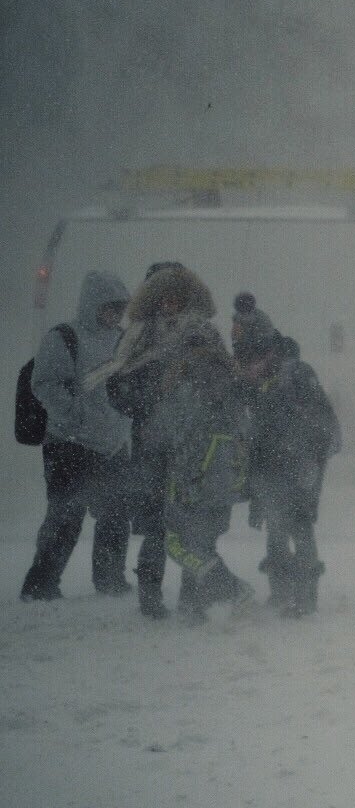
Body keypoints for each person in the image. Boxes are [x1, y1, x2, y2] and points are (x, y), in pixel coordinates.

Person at [102, 262, 216, 619]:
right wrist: (152, 394)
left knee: (191, 526)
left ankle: (192, 598)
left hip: (195, 447)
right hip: (151, 446)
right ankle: (150, 600)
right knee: (155, 527)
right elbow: (117, 391)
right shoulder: (136, 338)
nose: (170, 303)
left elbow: (222, 387)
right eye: (162, 296)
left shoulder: (204, 334)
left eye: (176, 296)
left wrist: (195, 391)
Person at [18, 271, 133, 601]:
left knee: (114, 517)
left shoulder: (124, 340)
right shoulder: (63, 337)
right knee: (65, 517)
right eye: (110, 307)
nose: (115, 315)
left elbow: (132, 387)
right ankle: (41, 585)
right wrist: (75, 418)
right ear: (92, 305)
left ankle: (110, 582)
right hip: (69, 444)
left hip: (112, 445)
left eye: (120, 309)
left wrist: (123, 424)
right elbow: (44, 384)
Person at [232, 293, 340, 618]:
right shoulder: (258, 383)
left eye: (251, 361)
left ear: (268, 353)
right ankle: (280, 593)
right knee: (277, 529)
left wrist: (303, 459)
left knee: (299, 526)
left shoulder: (296, 375)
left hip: (301, 465)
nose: (246, 370)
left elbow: (322, 424)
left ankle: (306, 598)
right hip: (273, 468)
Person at [144, 319, 254, 624]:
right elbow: (244, 429)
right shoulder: (232, 381)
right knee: (202, 543)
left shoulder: (187, 382)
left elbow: (160, 431)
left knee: (177, 544)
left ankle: (232, 589)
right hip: (223, 481)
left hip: (192, 477)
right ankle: (194, 605)